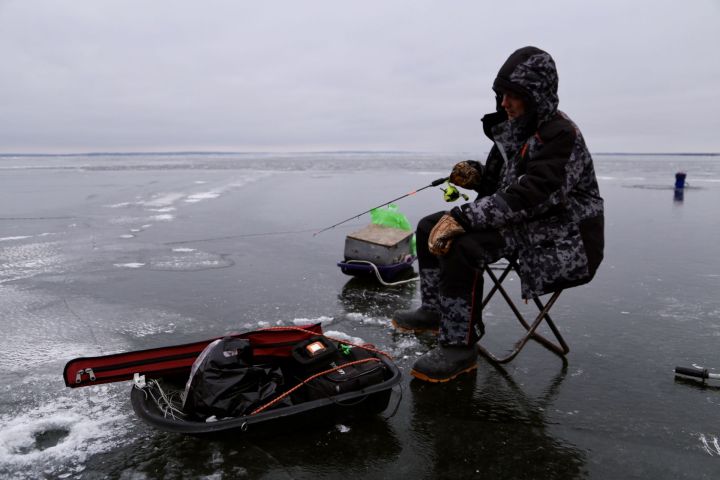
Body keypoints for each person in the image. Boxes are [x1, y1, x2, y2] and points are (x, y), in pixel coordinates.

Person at [392, 46, 605, 383]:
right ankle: (436, 311)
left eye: (514, 95)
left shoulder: (561, 135)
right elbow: (502, 185)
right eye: (501, 94)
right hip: (528, 221)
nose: (504, 102)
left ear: (537, 96)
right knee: (428, 227)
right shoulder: (515, 129)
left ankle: (459, 347)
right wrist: (475, 175)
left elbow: (534, 196)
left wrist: (464, 218)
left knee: (465, 245)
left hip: (565, 235)